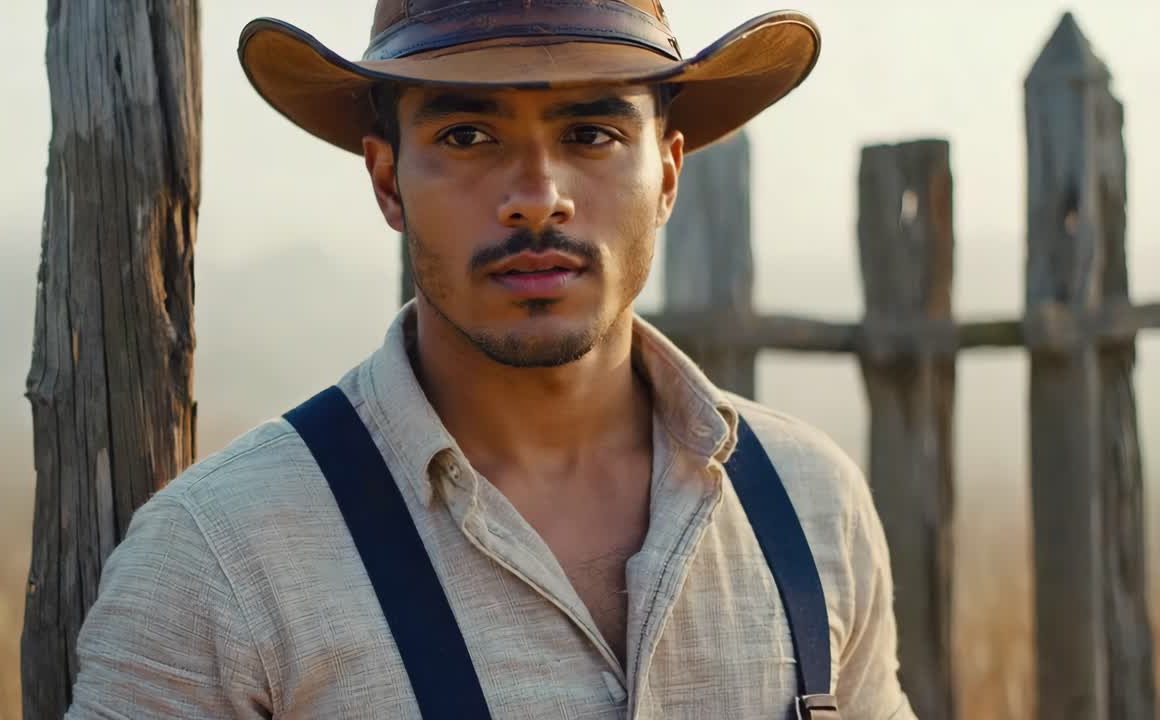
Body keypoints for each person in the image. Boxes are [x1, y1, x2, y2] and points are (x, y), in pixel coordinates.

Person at [67, 2, 915, 718]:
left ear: (667, 172)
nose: (536, 196)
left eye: (591, 131)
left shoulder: (810, 505)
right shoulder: (219, 561)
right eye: (469, 134)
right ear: (388, 180)